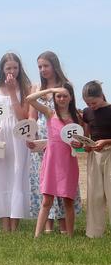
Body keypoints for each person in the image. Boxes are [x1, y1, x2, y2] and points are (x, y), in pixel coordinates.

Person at [28, 51, 82, 232]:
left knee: (65, 191)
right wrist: (32, 136)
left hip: (65, 149)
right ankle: (46, 228)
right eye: (40, 67)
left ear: (54, 66)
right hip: (46, 143)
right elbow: (32, 113)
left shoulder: (66, 88)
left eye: (46, 66)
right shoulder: (38, 88)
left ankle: (65, 228)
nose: (43, 70)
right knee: (47, 190)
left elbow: (80, 136)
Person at [0, 53, 32, 231]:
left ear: (19, 69)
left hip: (17, 136)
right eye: (8, 68)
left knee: (16, 174)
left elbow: (23, 117)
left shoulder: (26, 89)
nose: (12, 71)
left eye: (15, 68)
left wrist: (12, 93)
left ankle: (15, 223)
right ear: (2, 70)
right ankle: (4, 225)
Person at [80, 81, 111, 238]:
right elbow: (87, 136)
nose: (91, 106)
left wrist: (106, 141)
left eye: (94, 102)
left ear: (101, 96)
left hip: (110, 153)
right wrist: (85, 145)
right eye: (87, 103)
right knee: (94, 195)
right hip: (94, 155)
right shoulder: (87, 112)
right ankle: (94, 233)